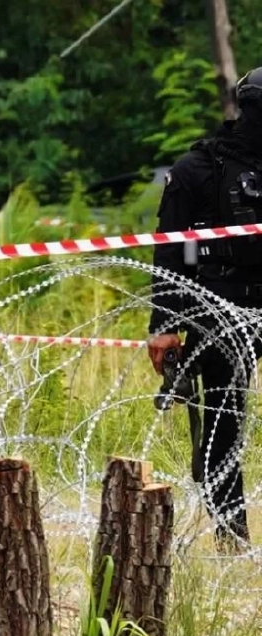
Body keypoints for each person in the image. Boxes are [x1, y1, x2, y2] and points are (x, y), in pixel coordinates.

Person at [150, 67, 262, 551]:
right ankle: (232, 538)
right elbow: (171, 252)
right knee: (221, 427)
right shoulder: (198, 169)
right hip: (221, 306)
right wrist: (165, 326)